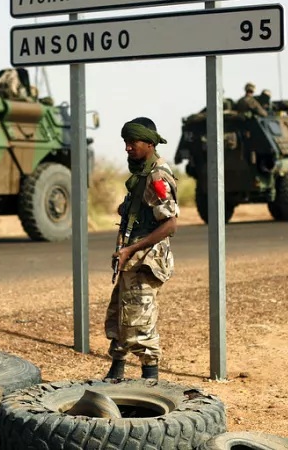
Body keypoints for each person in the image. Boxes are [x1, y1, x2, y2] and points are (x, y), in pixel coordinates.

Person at [104, 117, 179, 381]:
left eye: (132, 142)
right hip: (132, 260)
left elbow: (170, 224)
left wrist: (131, 248)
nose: (127, 148)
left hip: (145, 261)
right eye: (125, 142)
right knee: (121, 317)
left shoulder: (156, 176)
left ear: (149, 143)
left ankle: (150, 384)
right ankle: (116, 374)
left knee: (141, 324)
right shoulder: (141, 175)